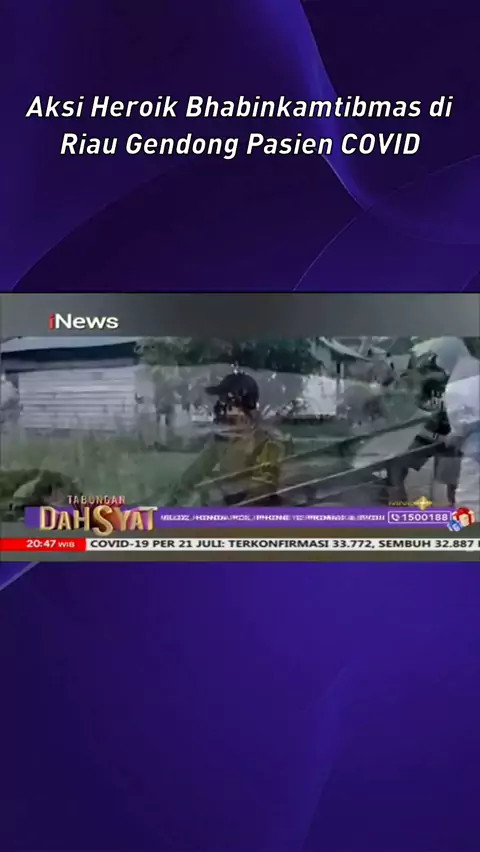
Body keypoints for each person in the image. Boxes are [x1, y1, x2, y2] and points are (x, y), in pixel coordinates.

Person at [164, 372, 286, 507]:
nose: (221, 409)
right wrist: (174, 496)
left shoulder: (266, 441)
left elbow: (262, 490)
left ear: (239, 405)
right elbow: (197, 470)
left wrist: (220, 492)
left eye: (225, 403)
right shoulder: (224, 438)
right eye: (221, 402)